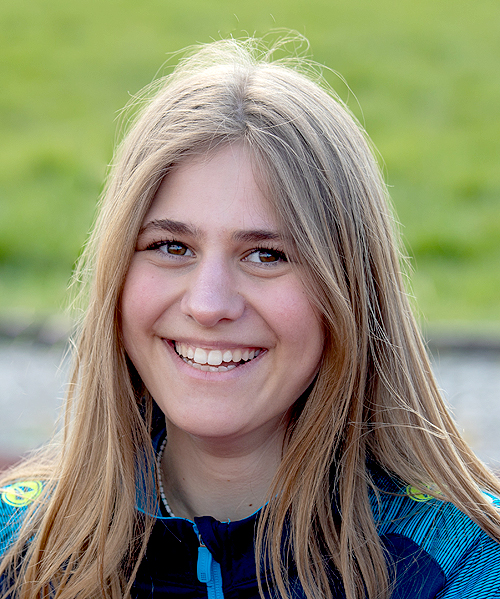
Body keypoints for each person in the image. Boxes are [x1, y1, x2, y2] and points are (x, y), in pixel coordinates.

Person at [1, 36, 500, 599]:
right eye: (171, 247)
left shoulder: (471, 565)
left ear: (351, 288)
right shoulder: (17, 547)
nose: (209, 304)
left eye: (266, 255)